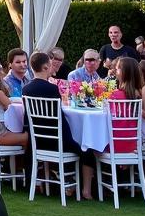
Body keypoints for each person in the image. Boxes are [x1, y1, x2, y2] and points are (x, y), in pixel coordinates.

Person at [23, 51, 96, 199]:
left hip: (37, 141)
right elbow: (59, 118)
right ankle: (87, 191)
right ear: (45, 67)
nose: (52, 68)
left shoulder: (26, 89)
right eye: (50, 65)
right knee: (88, 151)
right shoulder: (51, 89)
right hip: (57, 141)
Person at [108, 57, 144, 153]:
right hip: (134, 143)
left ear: (126, 73)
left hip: (116, 143)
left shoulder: (116, 95)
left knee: (88, 148)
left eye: (118, 68)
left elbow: (108, 118)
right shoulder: (140, 93)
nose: (115, 69)